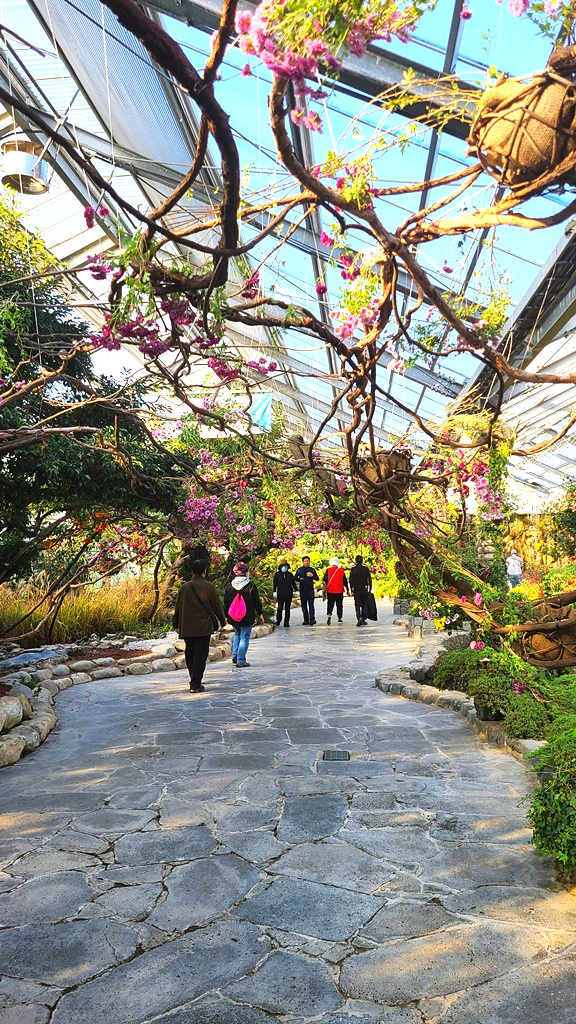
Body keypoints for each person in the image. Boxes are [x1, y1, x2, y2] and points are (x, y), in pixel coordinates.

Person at [172, 559, 226, 693]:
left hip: (187, 627)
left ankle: (194, 678)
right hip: (203, 627)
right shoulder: (209, 586)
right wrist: (223, 620)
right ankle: (195, 684)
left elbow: (177, 607)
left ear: (192, 571)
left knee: (190, 654)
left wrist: (175, 623)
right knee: (200, 655)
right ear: (204, 571)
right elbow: (217, 605)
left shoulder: (184, 587)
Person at [224, 562, 264, 667]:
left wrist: (226, 615)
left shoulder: (229, 586)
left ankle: (236, 654)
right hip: (247, 616)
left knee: (237, 633)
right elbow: (256, 602)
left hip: (233, 616)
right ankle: (241, 660)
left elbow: (226, 602)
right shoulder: (250, 586)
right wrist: (260, 613)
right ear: (246, 572)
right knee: (244, 637)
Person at [323, 557, 349, 625]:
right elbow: (344, 581)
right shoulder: (341, 571)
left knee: (330, 604)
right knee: (339, 604)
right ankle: (339, 617)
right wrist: (347, 589)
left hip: (330, 590)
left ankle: (329, 614)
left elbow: (325, 579)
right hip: (339, 590)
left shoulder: (328, 570)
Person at [295, 556, 319, 625]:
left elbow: (317, 578)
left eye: (308, 561)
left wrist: (312, 575)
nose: (306, 562)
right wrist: (299, 578)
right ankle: (306, 619)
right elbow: (295, 578)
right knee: (304, 605)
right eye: (305, 561)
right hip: (303, 590)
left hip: (310, 590)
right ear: (303, 562)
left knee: (311, 605)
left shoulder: (312, 570)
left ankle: (312, 619)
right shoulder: (299, 570)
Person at [349, 554, 372, 626]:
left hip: (356, 589)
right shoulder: (366, 569)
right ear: (362, 561)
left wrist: (351, 588)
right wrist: (370, 588)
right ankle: (363, 618)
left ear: (355, 561)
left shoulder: (353, 569)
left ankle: (359, 618)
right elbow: (369, 579)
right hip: (364, 589)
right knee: (364, 604)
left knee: (357, 604)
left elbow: (351, 580)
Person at [272, 559, 297, 627]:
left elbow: (293, 583)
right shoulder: (277, 575)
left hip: (289, 593)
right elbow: (274, 583)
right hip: (280, 594)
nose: (284, 567)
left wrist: (296, 590)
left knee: (287, 608)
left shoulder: (290, 574)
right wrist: (274, 591)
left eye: (285, 566)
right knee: (279, 608)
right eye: (283, 566)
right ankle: (278, 620)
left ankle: (286, 622)